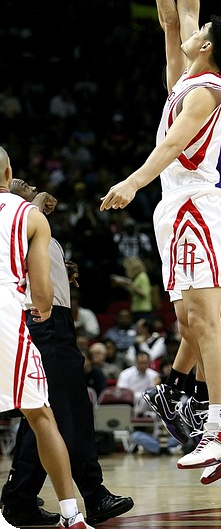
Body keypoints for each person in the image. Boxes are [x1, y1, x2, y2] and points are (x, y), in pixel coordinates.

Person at [100, 0, 221, 478]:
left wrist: (132, 182)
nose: (186, 30)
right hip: (178, 208)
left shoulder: (207, 88)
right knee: (192, 322)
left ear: (208, 46)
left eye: (199, 32)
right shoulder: (187, 78)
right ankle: (207, 417)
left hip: (196, 204)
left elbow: (172, 146)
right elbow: (176, 15)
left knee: (207, 319)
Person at [1, 177, 134, 526]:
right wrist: (36, 203)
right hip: (38, 321)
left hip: (56, 321)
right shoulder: (19, 216)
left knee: (46, 414)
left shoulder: (33, 222)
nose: (27, 184)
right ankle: (93, 494)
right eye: (18, 181)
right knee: (66, 411)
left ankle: (19, 499)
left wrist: (60, 269)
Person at [0, 150, 92, 529]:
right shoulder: (29, 216)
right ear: (8, 172)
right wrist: (41, 305)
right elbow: (40, 289)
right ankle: (71, 513)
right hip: (12, 314)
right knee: (42, 415)